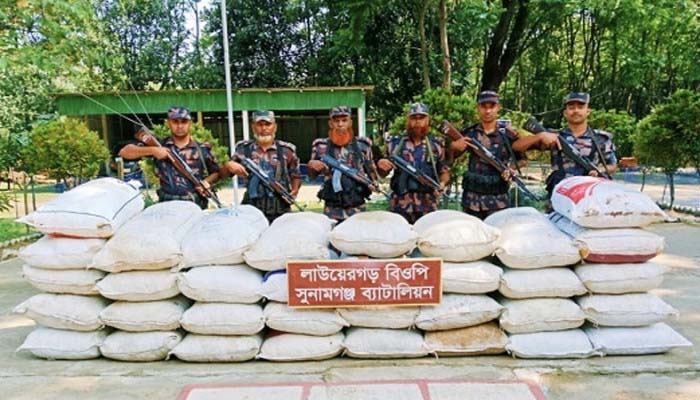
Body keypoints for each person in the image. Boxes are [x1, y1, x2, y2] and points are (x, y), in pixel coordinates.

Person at [513, 92, 618, 198]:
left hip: (587, 196)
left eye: (580, 107)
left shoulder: (600, 138)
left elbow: (612, 165)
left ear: (588, 111)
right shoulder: (554, 136)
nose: (576, 111)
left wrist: (598, 170)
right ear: (565, 113)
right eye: (571, 108)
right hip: (559, 194)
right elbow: (516, 146)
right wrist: (540, 136)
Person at [119, 106, 220, 209]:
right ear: (168, 123)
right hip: (167, 205)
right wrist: (153, 150)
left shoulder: (202, 148)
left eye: (184, 121)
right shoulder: (159, 145)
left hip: (195, 204)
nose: (180, 126)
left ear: (190, 123)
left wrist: (206, 182)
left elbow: (216, 172)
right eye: (175, 122)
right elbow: (124, 152)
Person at [449, 91, 526, 219]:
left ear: (498, 108)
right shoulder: (469, 133)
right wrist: (453, 148)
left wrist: (510, 168)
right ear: (478, 108)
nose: (488, 111)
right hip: (472, 201)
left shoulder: (508, 135)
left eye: (492, 106)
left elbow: (522, 160)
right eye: (484, 106)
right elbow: (450, 160)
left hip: (498, 201)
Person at [377, 102, 450, 224]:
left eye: (421, 118)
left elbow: (444, 171)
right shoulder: (394, 144)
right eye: (414, 118)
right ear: (408, 120)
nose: (417, 122)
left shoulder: (436, 145)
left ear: (427, 120)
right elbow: (383, 173)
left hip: (428, 205)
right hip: (400, 205)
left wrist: (442, 184)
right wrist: (381, 165)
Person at [224, 110, 301, 223]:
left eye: (268, 124)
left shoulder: (286, 150)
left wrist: (294, 191)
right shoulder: (243, 149)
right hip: (251, 210)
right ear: (253, 127)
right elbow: (224, 173)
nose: (264, 128)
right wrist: (228, 164)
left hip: (279, 208)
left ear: (275, 127)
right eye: (259, 124)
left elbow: (296, 175)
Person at [307, 106, 379, 223]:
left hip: (357, 206)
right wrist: (311, 164)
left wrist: (373, 184)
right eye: (336, 121)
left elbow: (371, 172)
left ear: (350, 122)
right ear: (331, 124)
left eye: (344, 120)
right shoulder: (321, 145)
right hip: (332, 207)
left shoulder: (362, 145)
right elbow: (312, 176)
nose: (340, 124)